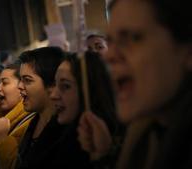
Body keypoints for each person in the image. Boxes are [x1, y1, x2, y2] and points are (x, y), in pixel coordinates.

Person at [80, 0, 192, 169]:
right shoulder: (143, 136)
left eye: (132, 38)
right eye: (110, 42)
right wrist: (104, 154)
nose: (108, 57)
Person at [17, 47, 85, 169]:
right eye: (20, 79)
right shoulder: (30, 124)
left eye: (27, 80)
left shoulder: (74, 134)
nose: (19, 86)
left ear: (50, 83)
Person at [51, 52, 122, 168]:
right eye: (55, 84)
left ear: (91, 90)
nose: (53, 95)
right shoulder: (59, 133)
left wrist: (101, 157)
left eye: (65, 86)